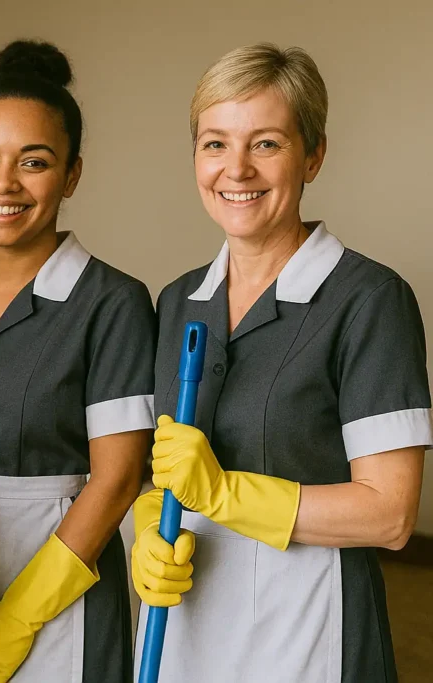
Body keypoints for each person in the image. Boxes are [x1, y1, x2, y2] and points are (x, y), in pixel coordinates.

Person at [132, 43, 431, 683]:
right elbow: (161, 472)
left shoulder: (369, 300)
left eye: (265, 143)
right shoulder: (180, 300)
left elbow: (392, 515)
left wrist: (223, 492)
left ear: (313, 155)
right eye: (215, 144)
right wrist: (145, 536)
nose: (235, 169)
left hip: (307, 624)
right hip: (186, 617)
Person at [0, 41, 155, 683]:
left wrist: (20, 615)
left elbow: (119, 477)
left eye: (35, 162)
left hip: (62, 604)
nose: (4, 182)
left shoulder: (113, 304)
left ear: (72, 175)